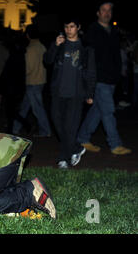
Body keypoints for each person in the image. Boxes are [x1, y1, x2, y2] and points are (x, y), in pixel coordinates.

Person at [77, 2, 132, 155]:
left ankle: (82, 137)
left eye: (109, 10)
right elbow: (90, 57)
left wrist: (119, 73)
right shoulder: (93, 31)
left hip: (111, 78)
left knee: (98, 111)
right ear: (98, 13)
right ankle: (115, 144)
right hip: (99, 78)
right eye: (104, 10)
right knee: (108, 111)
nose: (107, 13)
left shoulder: (114, 30)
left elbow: (116, 54)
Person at [44, 18, 96, 169]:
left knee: (70, 127)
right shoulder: (59, 44)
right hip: (58, 93)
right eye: (66, 27)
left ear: (78, 27)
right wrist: (55, 46)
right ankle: (76, 148)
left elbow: (91, 72)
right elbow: (47, 60)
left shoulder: (86, 48)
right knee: (57, 123)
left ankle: (64, 159)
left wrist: (90, 93)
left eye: (72, 27)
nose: (68, 30)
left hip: (76, 94)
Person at [12, 25, 51, 138]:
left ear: (28, 36)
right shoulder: (42, 47)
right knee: (25, 106)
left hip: (32, 82)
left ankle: (45, 131)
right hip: (41, 80)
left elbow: (28, 68)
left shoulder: (29, 50)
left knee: (37, 108)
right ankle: (15, 127)